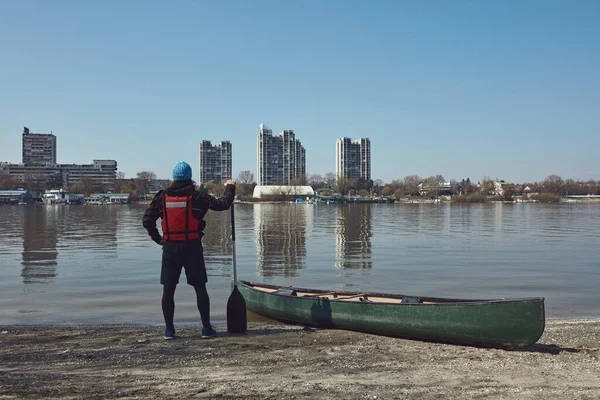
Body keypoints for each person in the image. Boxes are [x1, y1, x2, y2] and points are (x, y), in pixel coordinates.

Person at [142, 161, 235, 340]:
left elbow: (147, 220)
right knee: (200, 288)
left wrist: (157, 238)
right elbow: (223, 204)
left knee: (168, 290)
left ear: (174, 178)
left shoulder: (162, 197)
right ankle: (206, 329)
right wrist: (230, 188)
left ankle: (169, 330)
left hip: (170, 248)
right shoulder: (198, 196)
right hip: (192, 247)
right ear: (189, 178)